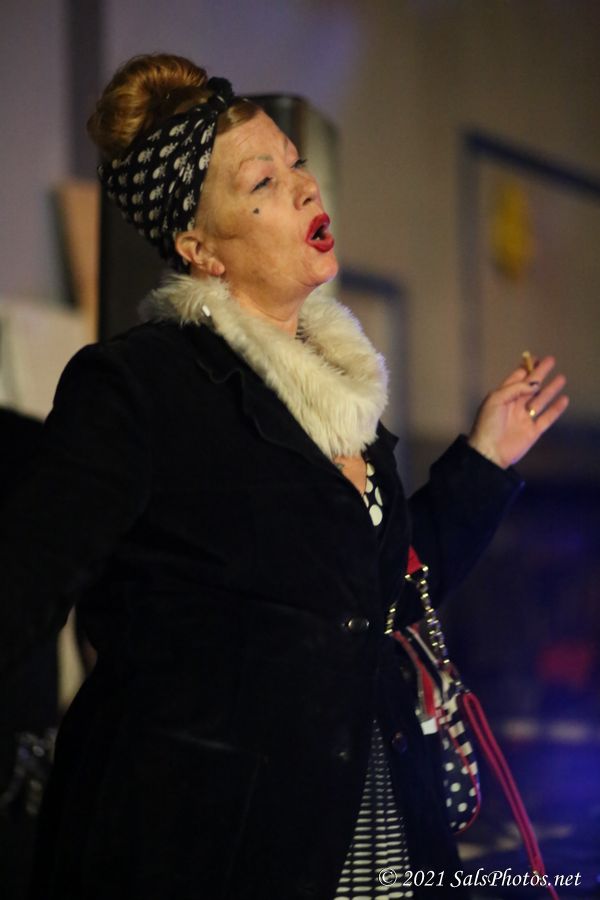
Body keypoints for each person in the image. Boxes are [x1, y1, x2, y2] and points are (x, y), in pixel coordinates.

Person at [0, 54, 568, 900]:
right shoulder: (143, 385)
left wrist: (484, 460)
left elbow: (374, 599)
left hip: (369, 815)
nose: (304, 187)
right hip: (209, 846)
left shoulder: (338, 387)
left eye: (295, 163)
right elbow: (18, 590)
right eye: (263, 181)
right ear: (200, 249)